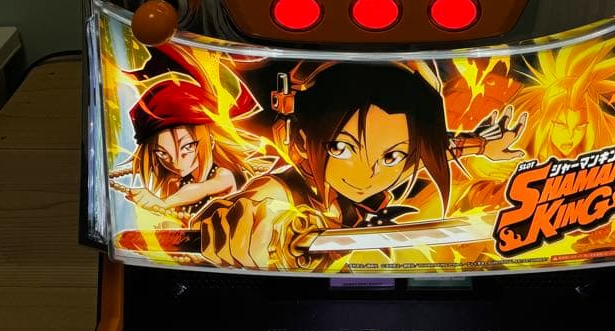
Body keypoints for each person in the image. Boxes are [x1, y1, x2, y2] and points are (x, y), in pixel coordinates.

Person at [195, 59, 526, 269]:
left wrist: (482, 145)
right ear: (298, 139)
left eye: (391, 157)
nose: (366, 175)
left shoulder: (405, 162)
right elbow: (256, 203)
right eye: (341, 148)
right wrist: (240, 222)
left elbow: (439, 147)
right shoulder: (285, 189)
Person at [112, 44, 263, 219]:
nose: (177, 163)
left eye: (187, 147)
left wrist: (164, 203)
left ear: (210, 140)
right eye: (163, 154)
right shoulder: (179, 178)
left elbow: (201, 189)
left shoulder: (224, 175)